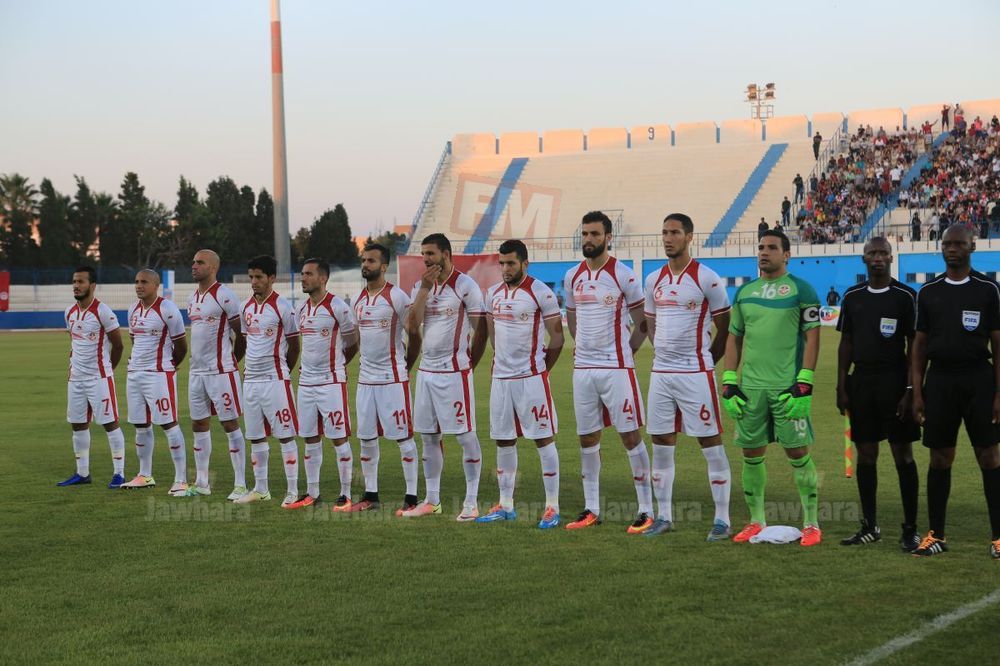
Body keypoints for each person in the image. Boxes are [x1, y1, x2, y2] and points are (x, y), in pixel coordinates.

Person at [721, 229, 823, 546]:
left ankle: (812, 523)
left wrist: (805, 380)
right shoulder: (745, 292)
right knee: (751, 454)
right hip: (751, 389)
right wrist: (729, 380)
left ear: (787, 255)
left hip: (787, 388)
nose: (764, 252)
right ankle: (756, 521)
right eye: (761, 247)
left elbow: (813, 337)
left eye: (772, 248)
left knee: (798, 453)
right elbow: (734, 338)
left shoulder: (802, 289)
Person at [910, 225, 1000, 558]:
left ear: (972, 247)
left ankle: (999, 537)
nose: (952, 249)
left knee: (989, 456)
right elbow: (919, 346)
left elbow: (998, 344)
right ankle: (936, 535)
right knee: (939, 457)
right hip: (941, 381)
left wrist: (999, 393)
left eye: (959, 244)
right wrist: (917, 392)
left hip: (979, 379)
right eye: (947, 244)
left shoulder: (988, 289)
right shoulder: (928, 291)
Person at [643, 214, 732, 540]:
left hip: (695, 373)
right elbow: (650, 323)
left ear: (689, 236)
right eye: (664, 232)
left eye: (675, 232)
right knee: (661, 444)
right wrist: (663, 353)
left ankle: (722, 520)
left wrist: (706, 360)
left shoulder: (707, 278)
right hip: (661, 374)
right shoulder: (653, 279)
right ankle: (663, 516)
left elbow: (726, 328)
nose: (668, 238)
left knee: (710, 443)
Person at [563, 211, 652, 533]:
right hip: (583, 370)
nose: (588, 239)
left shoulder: (623, 275)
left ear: (608, 237)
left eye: (595, 234)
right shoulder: (572, 276)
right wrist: (582, 345)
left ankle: (646, 510)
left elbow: (642, 324)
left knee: (630, 436)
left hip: (616, 368)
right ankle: (591, 509)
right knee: (587, 438)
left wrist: (627, 352)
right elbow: (572, 318)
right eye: (585, 234)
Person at [836, 238, 921, 550]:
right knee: (866, 453)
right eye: (872, 253)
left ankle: (910, 529)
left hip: (895, 381)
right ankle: (870, 526)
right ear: (863, 259)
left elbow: (914, 346)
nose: (877, 258)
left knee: (903, 454)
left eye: (883, 253)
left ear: (891, 257)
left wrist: (910, 389)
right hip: (862, 382)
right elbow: (846, 342)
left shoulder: (905, 296)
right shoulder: (852, 296)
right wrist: (841, 385)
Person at [476, 239, 565, 528]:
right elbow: (492, 335)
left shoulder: (540, 292)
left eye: (511, 263)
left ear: (525, 263)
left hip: (531, 379)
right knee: (503, 440)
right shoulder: (492, 294)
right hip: (501, 380)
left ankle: (552, 507)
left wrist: (541, 370)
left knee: (543, 439)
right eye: (502, 263)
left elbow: (558, 338)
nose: (505, 268)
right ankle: (505, 505)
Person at [404, 233, 488, 520]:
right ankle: (432, 500)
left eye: (431, 253)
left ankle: (471, 502)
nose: (426, 259)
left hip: (454, 373)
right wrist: (424, 290)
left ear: (446, 254)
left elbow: (481, 330)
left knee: (465, 436)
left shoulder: (465, 285)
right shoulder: (420, 286)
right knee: (428, 436)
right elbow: (412, 326)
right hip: (426, 373)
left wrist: (469, 366)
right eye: (423, 254)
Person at [351, 243, 421, 515]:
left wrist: (405, 366)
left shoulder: (397, 297)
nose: (365, 264)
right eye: (363, 260)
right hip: (365, 382)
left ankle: (411, 498)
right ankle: (370, 495)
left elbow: (414, 334)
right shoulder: (357, 299)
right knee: (366, 439)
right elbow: (358, 338)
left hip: (392, 380)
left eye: (371, 261)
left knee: (403, 438)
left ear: (384, 266)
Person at [283, 258, 358, 509]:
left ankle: (345, 494)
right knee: (310, 438)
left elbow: (353, 342)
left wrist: (337, 365)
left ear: (323, 278)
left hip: (331, 383)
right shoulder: (301, 309)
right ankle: (312, 493)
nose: (303, 278)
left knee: (338, 438)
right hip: (306, 383)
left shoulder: (338, 307)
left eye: (308, 274)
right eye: (302, 274)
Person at [234, 255, 302, 506]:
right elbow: (245, 341)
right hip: (251, 381)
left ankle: (292, 490)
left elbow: (294, 346)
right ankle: (260, 489)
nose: (254, 282)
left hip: (275, 379)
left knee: (285, 435)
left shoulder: (283, 307)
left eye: (259, 277)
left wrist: (282, 371)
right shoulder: (244, 307)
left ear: (271, 278)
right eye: (251, 277)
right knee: (255, 436)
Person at [185, 249, 249, 500]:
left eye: (199, 262)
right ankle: (202, 483)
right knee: (199, 425)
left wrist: (232, 360)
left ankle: (240, 484)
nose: (194, 266)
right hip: (196, 372)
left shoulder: (225, 295)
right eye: (193, 262)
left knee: (230, 424)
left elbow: (241, 333)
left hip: (221, 372)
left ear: (212, 267)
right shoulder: (193, 297)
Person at [119, 270, 188, 494]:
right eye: (136, 282)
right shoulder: (133, 309)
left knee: (168, 424)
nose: (139, 286)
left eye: (144, 282)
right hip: (134, 374)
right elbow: (135, 340)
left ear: (156, 285)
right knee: (140, 425)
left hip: (159, 374)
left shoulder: (168, 309)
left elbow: (181, 345)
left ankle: (181, 479)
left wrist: (168, 365)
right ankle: (144, 475)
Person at [58, 266, 127, 488]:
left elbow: (118, 345)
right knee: (78, 425)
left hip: (99, 378)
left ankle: (119, 474)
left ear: (92, 285)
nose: (76, 286)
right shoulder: (69, 312)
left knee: (110, 424)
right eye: (74, 281)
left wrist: (107, 370)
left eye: (81, 281)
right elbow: (74, 343)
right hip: (76, 379)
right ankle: (82, 473)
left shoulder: (103, 311)